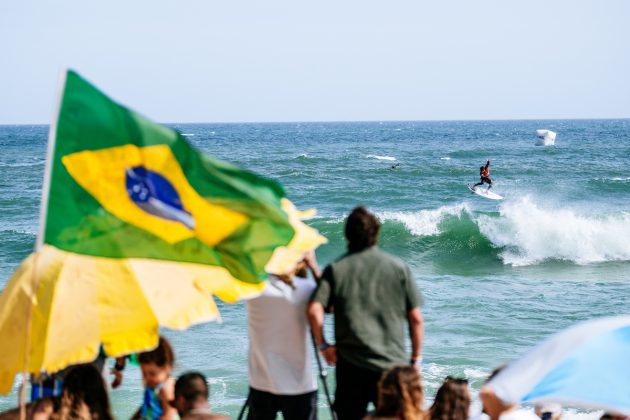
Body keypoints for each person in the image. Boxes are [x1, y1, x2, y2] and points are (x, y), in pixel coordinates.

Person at [307, 206, 424, 420]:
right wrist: (416, 360)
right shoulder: (399, 268)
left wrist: (323, 345)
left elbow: (315, 310)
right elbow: (415, 319)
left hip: (350, 366)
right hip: (391, 367)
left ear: (347, 235)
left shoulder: (336, 269)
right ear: (376, 233)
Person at [245, 254, 321, 420]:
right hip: (299, 384)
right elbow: (330, 301)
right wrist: (314, 266)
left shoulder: (254, 288)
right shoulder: (305, 289)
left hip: (261, 382)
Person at [134, 336, 177, 420]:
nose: (147, 377)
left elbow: (168, 416)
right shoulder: (152, 385)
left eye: (152, 374)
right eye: (144, 373)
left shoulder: (166, 388)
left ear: (167, 367)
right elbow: (146, 406)